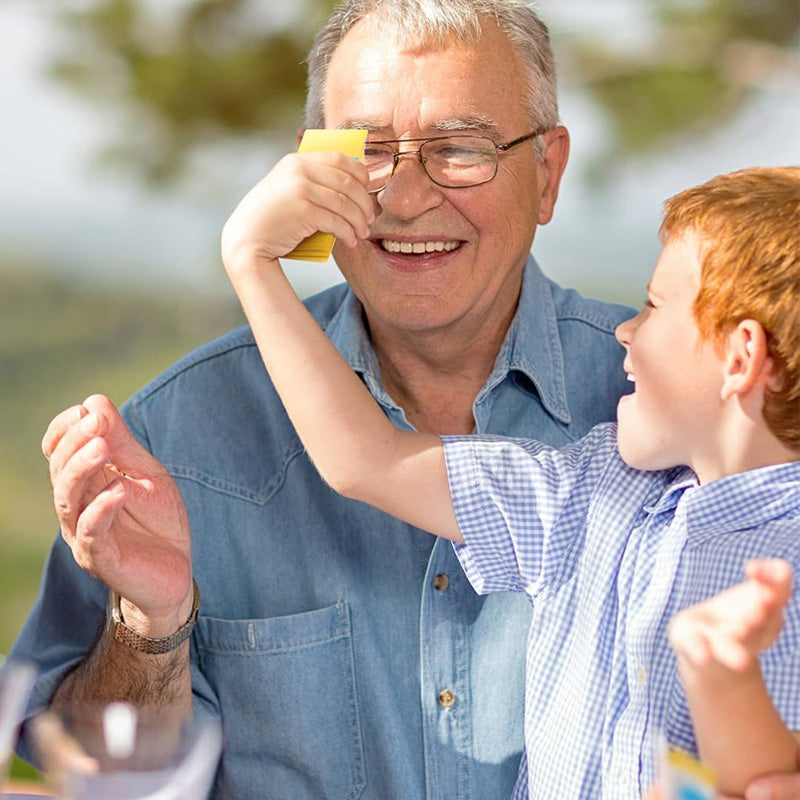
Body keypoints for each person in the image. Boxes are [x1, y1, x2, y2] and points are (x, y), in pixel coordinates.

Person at [6, 0, 797, 795]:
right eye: (368, 152)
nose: (406, 198)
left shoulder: (664, 420)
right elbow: (67, 778)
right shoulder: (174, 438)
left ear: (548, 174)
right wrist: (151, 628)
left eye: (460, 149)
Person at [219, 164, 800, 799]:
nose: (625, 330)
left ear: (741, 358)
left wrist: (727, 685)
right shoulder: (591, 493)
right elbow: (367, 459)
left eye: (655, 306)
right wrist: (253, 262)